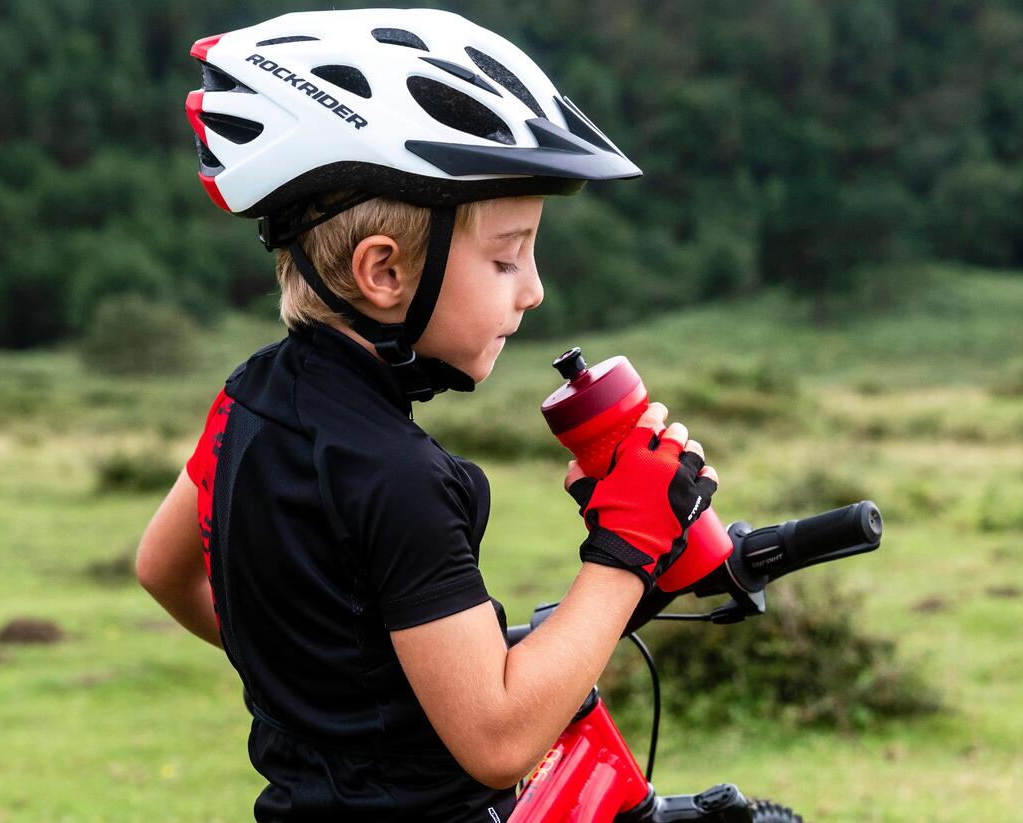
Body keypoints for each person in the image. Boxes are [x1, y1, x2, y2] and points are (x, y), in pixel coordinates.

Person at [133, 10, 720, 822]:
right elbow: (500, 738)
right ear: (385, 271)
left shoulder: (246, 399)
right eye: (506, 256)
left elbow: (164, 570)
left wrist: (332, 678)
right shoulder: (402, 477)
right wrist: (630, 543)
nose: (533, 287)